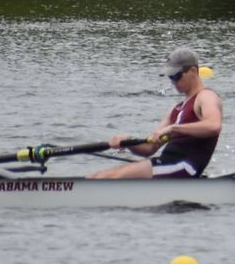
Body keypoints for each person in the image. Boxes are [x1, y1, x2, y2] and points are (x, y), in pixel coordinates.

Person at [92, 48, 223, 179]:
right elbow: (149, 148)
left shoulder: (206, 96)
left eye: (176, 76)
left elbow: (214, 126)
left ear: (193, 71)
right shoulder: (177, 109)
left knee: (106, 178)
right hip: (168, 164)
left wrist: (173, 128)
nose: (173, 82)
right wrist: (128, 141)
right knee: (97, 176)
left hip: (185, 167)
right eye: (170, 77)